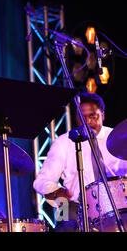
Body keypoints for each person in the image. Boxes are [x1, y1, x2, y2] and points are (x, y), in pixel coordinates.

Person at [33, 92, 127, 231]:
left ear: (103, 115)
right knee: (63, 220)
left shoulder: (119, 137)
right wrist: (55, 191)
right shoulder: (63, 142)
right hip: (74, 204)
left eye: (93, 116)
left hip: (115, 203)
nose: (87, 122)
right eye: (82, 118)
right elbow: (41, 181)